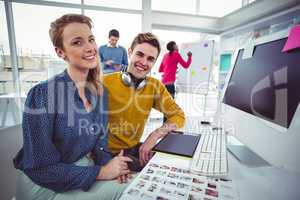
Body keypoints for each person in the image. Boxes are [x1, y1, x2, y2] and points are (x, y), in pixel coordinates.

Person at [13, 14, 132, 200]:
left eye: (90, 39)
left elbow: (101, 145)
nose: (90, 47)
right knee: (131, 190)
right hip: (44, 186)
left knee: (132, 183)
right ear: (60, 52)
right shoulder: (43, 94)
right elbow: (41, 167)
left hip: (81, 171)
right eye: (77, 42)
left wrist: (114, 168)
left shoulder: (101, 93)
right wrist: (102, 172)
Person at [103, 33, 185, 172]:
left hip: (133, 149)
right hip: (106, 154)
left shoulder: (154, 86)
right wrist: (107, 163)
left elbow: (178, 115)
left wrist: (155, 135)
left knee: (174, 165)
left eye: (150, 59)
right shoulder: (104, 82)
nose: (144, 62)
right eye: (139, 54)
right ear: (130, 52)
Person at [159, 41, 192, 122]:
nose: (177, 46)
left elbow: (160, 69)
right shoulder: (176, 54)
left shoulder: (165, 55)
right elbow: (186, 65)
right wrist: (189, 57)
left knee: (166, 105)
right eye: (176, 45)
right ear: (174, 46)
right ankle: (167, 126)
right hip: (170, 85)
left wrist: (171, 68)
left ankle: (165, 124)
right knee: (170, 105)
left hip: (163, 83)